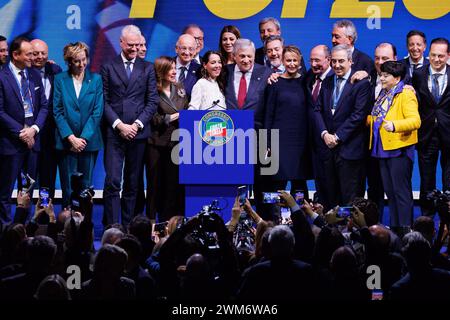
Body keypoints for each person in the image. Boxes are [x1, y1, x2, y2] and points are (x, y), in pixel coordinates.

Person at [101, 25, 159, 228]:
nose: (135, 48)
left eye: (138, 45)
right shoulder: (108, 66)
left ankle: (127, 228)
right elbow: (104, 101)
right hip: (115, 133)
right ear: (121, 43)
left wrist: (136, 124)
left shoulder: (148, 67)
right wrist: (119, 125)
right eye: (131, 45)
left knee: (132, 184)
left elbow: (152, 101)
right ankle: (112, 227)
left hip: (138, 132)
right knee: (112, 182)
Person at [313, 44, 372, 211]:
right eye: (334, 61)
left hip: (350, 150)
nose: (337, 65)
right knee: (330, 199)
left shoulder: (361, 84)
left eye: (341, 61)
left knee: (351, 199)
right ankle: (332, 235)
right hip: (328, 151)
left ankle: (351, 235)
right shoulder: (327, 82)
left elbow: (358, 116)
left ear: (350, 61)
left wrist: (337, 137)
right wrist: (325, 134)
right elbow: (317, 110)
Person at [367, 60, 421, 235]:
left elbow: (415, 121)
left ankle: (405, 231)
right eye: (381, 74)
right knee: (390, 192)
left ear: (397, 78)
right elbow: (377, 116)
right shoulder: (384, 93)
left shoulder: (405, 93)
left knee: (401, 193)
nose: (381, 78)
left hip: (399, 149)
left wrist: (395, 125)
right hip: (382, 148)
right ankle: (395, 230)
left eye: (385, 75)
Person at [0, 37, 48, 224]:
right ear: (15, 55)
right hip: (10, 144)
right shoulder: (2, 76)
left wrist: (34, 130)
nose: (33, 57)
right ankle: (5, 233)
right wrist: (22, 132)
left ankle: (23, 228)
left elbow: (44, 106)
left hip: (32, 144)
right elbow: (0, 110)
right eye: (28, 54)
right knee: (5, 192)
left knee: (27, 191)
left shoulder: (35, 75)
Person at [53, 42, 103, 207]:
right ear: (68, 62)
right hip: (66, 142)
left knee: (86, 187)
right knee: (68, 188)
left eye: (84, 59)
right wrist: (71, 138)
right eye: (77, 61)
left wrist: (82, 138)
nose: (82, 64)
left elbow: (97, 112)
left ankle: (85, 226)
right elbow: (58, 111)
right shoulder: (60, 79)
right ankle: (67, 227)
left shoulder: (96, 80)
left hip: (88, 142)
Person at [264, 45, 309, 202]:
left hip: (300, 141)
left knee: (299, 184)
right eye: (288, 60)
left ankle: (301, 216)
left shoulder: (306, 81)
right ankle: (273, 221)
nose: (291, 64)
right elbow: (268, 114)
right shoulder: (274, 83)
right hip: (278, 141)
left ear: (300, 61)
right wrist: (266, 142)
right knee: (274, 184)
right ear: (282, 61)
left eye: (294, 60)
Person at [146, 56, 188, 222]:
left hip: (176, 143)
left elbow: (186, 107)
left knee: (172, 185)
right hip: (156, 143)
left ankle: (168, 222)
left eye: (174, 68)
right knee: (154, 185)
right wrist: (170, 118)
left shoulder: (179, 88)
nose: (174, 71)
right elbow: (151, 117)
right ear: (160, 71)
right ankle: (150, 221)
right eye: (170, 68)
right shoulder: (152, 91)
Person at [412, 38, 450, 216]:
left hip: (449, 133)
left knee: (449, 181)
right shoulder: (418, 74)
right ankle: (427, 221)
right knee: (427, 180)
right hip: (426, 134)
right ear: (428, 54)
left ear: (448, 56)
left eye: (441, 56)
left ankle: (447, 221)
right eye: (433, 55)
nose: (436, 59)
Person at [31, 39, 62, 200]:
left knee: (47, 180)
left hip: (50, 137)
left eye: (43, 53)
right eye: (35, 53)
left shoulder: (55, 70)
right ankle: (23, 218)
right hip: (29, 137)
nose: (40, 57)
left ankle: (44, 216)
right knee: (27, 181)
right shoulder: (23, 73)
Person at [174, 34, 200, 98]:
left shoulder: (200, 70)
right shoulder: (166, 65)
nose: (187, 52)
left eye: (191, 49)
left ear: (195, 51)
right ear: (176, 49)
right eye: (184, 48)